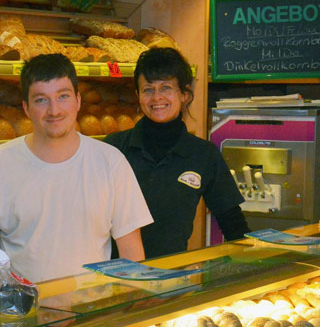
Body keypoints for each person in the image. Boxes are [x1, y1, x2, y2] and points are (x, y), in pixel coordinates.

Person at [0, 53, 152, 283]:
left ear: (78, 101)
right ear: (26, 108)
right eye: (41, 100)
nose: (54, 110)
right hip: (25, 312)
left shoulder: (111, 162)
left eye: (63, 96)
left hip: (93, 310)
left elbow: (132, 253)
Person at [105, 48, 249, 258]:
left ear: (185, 94)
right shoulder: (114, 148)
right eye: (148, 89)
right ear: (137, 95)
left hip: (171, 280)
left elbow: (232, 222)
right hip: (112, 280)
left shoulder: (203, 155)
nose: (157, 97)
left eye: (166, 88)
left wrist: (259, 264)